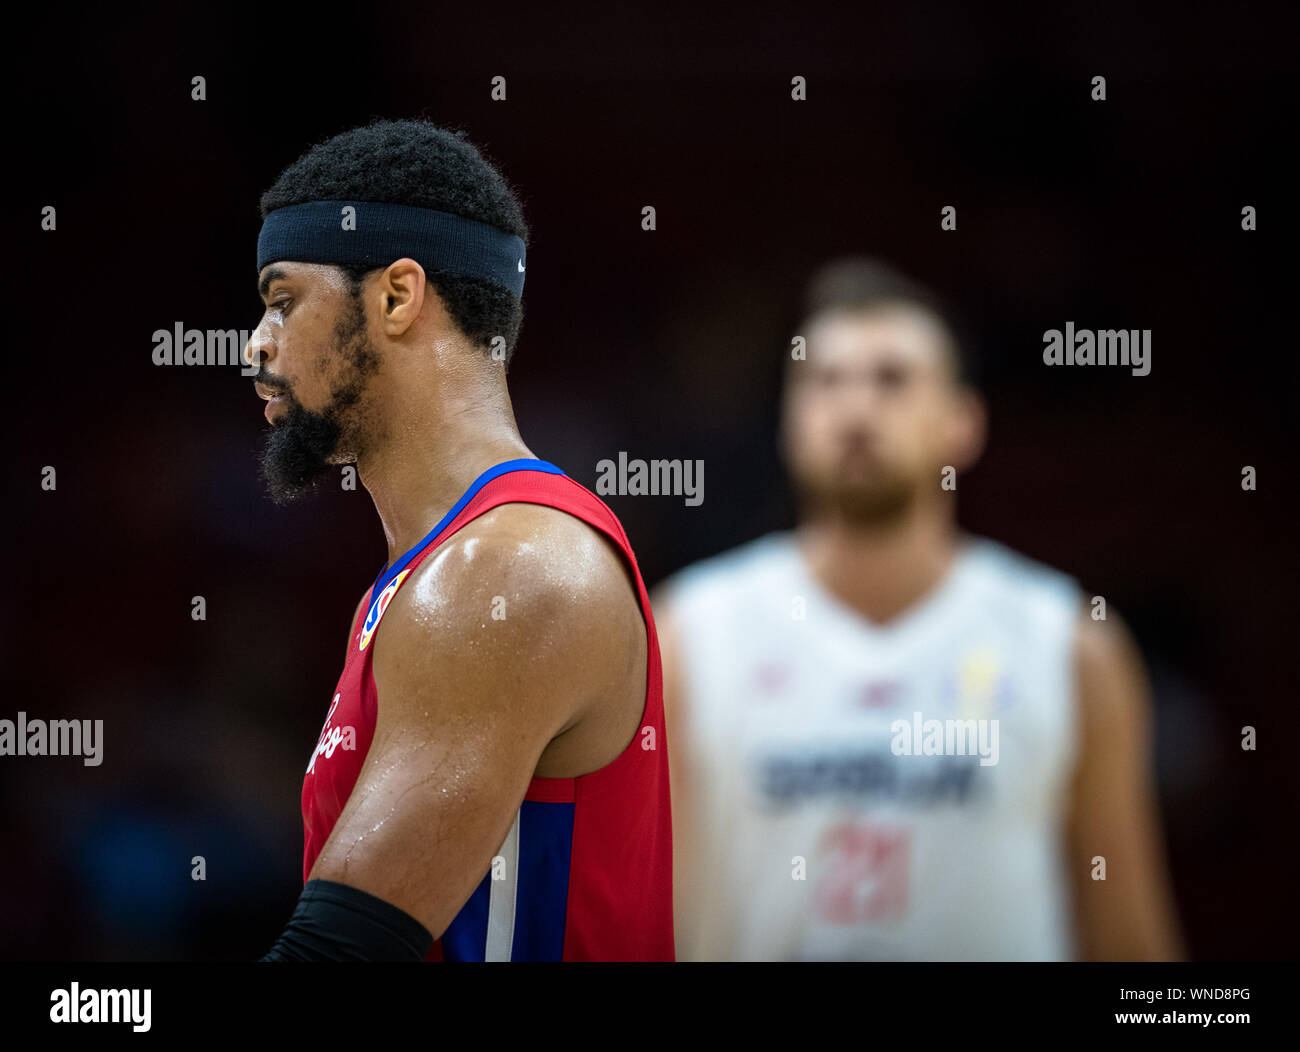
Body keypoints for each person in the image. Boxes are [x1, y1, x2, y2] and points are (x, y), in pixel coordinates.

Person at [654, 258, 1183, 961]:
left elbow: (1132, 945)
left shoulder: (1069, 645)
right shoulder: (689, 634)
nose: (856, 409)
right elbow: (646, 924)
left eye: (892, 379)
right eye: (825, 381)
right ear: (787, 419)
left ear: (963, 423)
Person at [248, 119, 672, 961]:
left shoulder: (506, 573)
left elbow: (338, 953)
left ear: (396, 297)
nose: (256, 345)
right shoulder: (425, 577)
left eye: (284, 300)